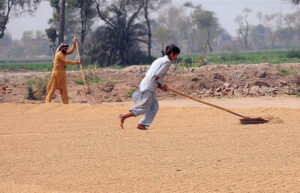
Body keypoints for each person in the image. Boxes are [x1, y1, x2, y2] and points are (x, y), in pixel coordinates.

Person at [119, 45, 180, 130]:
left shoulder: (159, 60)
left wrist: (160, 85)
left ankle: (142, 124)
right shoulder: (167, 62)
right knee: (145, 107)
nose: (176, 58)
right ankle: (124, 116)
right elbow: (157, 75)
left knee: (154, 106)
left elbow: (154, 76)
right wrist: (162, 85)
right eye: (176, 55)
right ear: (172, 54)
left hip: (147, 83)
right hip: (149, 85)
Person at [46, 38, 81, 104]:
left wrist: (74, 44)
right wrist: (76, 62)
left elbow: (71, 51)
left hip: (62, 75)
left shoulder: (64, 53)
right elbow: (66, 61)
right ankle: (47, 103)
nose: (66, 50)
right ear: (61, 48)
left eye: (66, 48)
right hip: (56, 75)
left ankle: (65, 104)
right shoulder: (59, 54)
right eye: (64, 48)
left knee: (64, 90)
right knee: (52, 90)